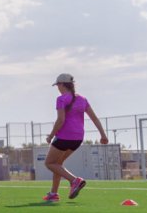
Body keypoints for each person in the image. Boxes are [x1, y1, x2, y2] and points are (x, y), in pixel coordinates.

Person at [42, 73, 108, 202]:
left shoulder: (61, 99)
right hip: (78, 139)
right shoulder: (82, 99)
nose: (57, 88)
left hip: (64, 137)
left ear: (61, 85)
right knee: (58, 164)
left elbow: (60, 120)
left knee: (49, 163)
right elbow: (94, 118)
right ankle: (53, 194)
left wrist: (50, 135)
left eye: (58, 85)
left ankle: (74, 181)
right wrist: (103, 134)